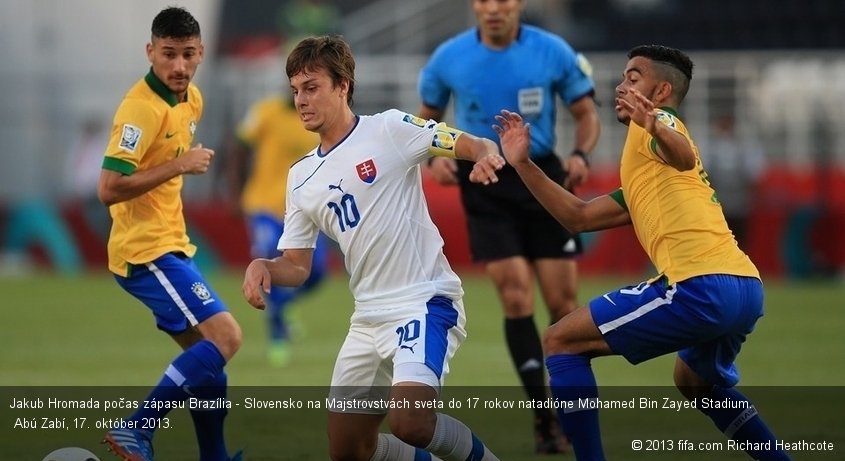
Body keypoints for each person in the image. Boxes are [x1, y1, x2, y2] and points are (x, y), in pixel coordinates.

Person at [494, 45, 790, 460]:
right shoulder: (646, 172)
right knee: (694, 383)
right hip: (744, 287)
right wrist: (523, 164)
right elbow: (577, 217)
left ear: (662, 90)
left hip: (698, 285)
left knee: (561, 341)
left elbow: (683, 156)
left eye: (633, 78)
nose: (621, 86)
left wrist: (655, 124)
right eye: (622, 78)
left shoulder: (660, 127)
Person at [242, 35, 502, 461]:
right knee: (349, 450)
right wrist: (264, 266)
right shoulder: (301, 177)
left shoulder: (389, 129)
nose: (301, 100)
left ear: (342, 85)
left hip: (423, 301)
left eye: (312, 87)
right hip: (366, 318)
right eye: (295, 90)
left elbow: (466, 142)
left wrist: (487, 155)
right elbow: (297, 264)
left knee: (411, 423)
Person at [417, 0, 600, 453]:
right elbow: (425, 121)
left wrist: (581, 155)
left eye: (502, 0)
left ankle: (569, 411)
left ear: (518, 4)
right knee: (516, 294)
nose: (492, 8)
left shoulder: (552, 50)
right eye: (483, 0)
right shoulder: (448, 57)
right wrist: (435, 158)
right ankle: (543, 419)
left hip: (544, 179)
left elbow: (586, 113)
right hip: (485, 181)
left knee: (563, 302)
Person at [98, 7, 242, 461]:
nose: (178, 66)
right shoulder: (140, 108)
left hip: (172, 246)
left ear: (200, 53)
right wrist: (180, 164)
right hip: (145, 251)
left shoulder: (190, 100)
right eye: (167, 55)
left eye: (187, 55)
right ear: (150, 52)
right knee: (227, 338)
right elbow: (108, 188)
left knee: (208, 363)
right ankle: (134, 429)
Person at [227, 91, 328, 367]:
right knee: (270, 267)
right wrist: (235, 192)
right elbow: (238, 147)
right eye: (295, 84)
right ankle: (278, 336)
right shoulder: (265, 112)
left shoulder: (317, 120)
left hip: (302, 210)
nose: (300, 93)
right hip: (264, 207)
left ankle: (285, 304)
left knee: (317, 272)